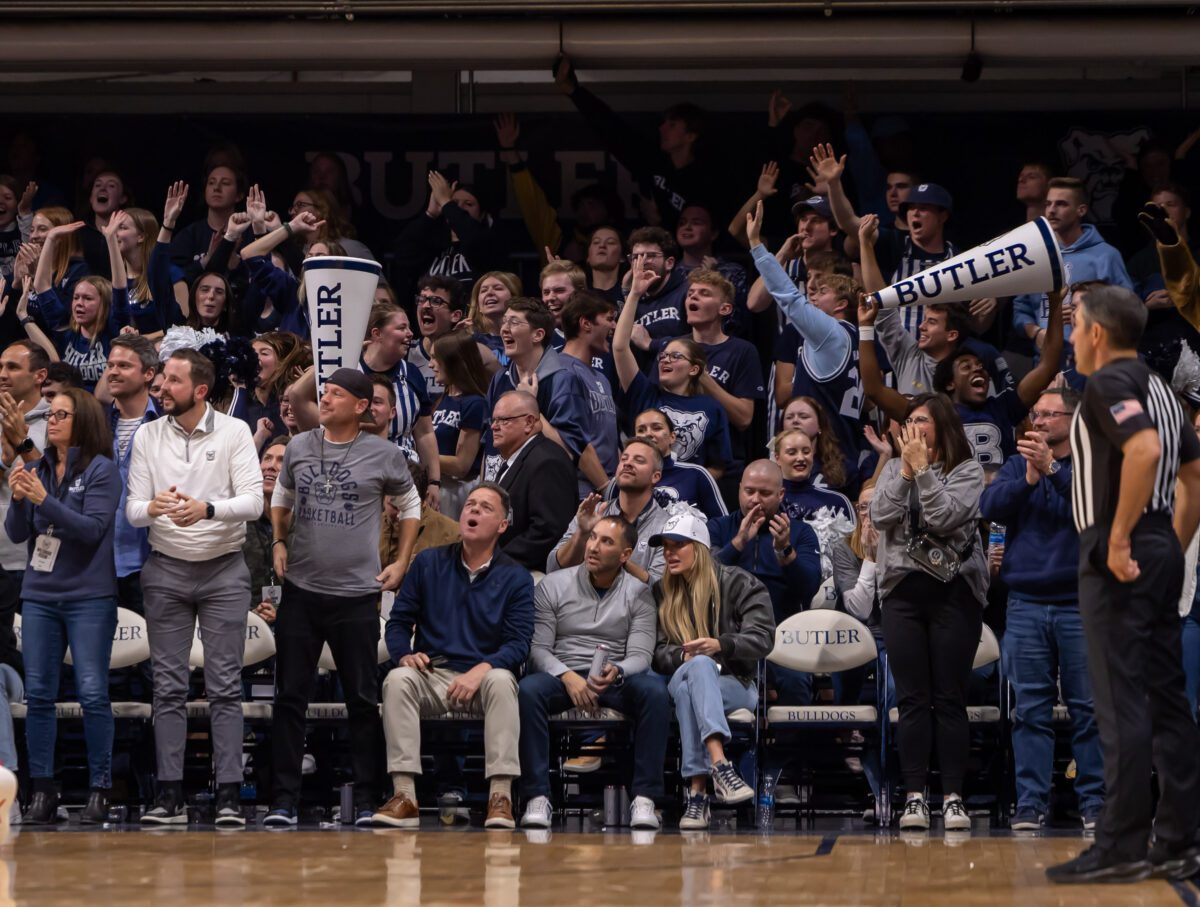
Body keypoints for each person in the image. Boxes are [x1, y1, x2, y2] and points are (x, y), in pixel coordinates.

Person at [1048, 283, 1200, 884]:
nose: (1071, 334)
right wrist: (1173, 545)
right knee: (1167, 700)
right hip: (1161, 540)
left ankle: (1121, 844)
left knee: (1119, 700)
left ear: (1097, 333)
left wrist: (1117, 539)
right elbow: (1193, 471)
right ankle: (1180, 839)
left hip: (1121, 543)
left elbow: (1142, 451)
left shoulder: (1110, 383)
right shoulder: (1162, 387)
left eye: (1075, 323)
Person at [265, 368, 421, 827]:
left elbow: (411, 504)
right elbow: (282, 491)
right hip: (301, 592)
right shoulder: (298, 446)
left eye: (335, 394)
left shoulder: (384, 453)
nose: (325, 399)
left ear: (360, 406)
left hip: (355, 595)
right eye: (324, 392)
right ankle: (283, 801)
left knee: (360, 699)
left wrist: (403, 560)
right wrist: (278, 539)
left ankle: (368, 798)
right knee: (289, 697)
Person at [125, 349, 263, 826]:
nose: (162, 388)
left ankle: (227, 793)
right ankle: (169, 794)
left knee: (225, 686)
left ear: (201, 390)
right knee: (167, 687)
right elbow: (133, 511)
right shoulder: (147, 434)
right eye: (162, 379)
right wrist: (158, 508)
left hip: (224, 568)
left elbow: (253, 502)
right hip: (165, 570)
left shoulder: (234, 431)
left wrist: (207, 509)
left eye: (173, 381)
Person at [979, 386, 1104, 833]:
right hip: (1026, 604)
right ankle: (1030, 803)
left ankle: (1095, 803)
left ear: (1073, 420)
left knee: (1088, 709)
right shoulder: (1016, 465)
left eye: (1051, 414)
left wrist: (1052, 471)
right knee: (1029, 711)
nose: (1041, 420)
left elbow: (1095, 513)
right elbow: (989, 506)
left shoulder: (1091, 465)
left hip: (1081, 605)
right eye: (1036, 413)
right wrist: (1031, 478)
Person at [374, 483, 534, 830]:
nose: (473, 511)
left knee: (504, 681)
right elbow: (398, 623)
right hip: (434, 674)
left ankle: (500, 797)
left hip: (483, 679)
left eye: (485, 508)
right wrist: (404, 655)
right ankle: (404, 795)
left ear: (503, 525)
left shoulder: (516, 577)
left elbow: (519, 643)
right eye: (470, 505)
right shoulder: (428, 563)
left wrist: (483, 668)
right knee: (398, 680)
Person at [870, 393, 986, 833]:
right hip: (902, 593)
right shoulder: (895, 467)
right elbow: (880, 515)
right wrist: (902, 471)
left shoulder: (967, 470)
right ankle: (915, 796)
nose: (912, 425)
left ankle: (953, 798)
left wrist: (921, 471)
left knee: (949, 700)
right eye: (909, 419)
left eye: (922, 419)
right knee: (913, 699)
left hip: (954, 593)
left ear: (943, 427)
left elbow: (942, 517)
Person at [6, 389, 120, 824]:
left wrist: (42, 499)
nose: (51, 421)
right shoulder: (35, 469)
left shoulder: (101, 471)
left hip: (89, 596)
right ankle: (43, 790)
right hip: (40, 595)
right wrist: (19, 500)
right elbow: (18, 534)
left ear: (83, 420)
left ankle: (99, 788)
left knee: (92, 693)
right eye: (49, 414)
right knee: (39, 696)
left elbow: (91, 530)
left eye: (61, 414)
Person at [518, 514, 669, 830]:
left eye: (606, 541)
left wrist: (617, 671)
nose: (594, 547)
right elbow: (538, 650)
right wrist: (566, 675)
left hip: (614, 676)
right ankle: (537, 796)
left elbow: (641, 655)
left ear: (625, 555)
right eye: (592, 537)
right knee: (529, 690)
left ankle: (644, 798)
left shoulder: (640, 593)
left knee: (655, 693)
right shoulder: (553, 585)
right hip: (564, 675)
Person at [646, 508, 772, 831]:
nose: (669, 553)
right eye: (665, 547)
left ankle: (697, 795)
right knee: (696, 670)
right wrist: (683, 659)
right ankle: (721, 765)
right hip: (680, 675)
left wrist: (721, 645)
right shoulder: (661, 592)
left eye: (678, 545)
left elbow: (763, 639)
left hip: (735, 684)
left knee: (692, 692)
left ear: (699, 548)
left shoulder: (741, 583)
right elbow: (657, 652)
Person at [707, 460, 822, 705]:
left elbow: (809, 589)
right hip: (727, 637)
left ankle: (789, 745)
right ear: (739, 489)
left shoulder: (801, 533)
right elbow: (703, 580)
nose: (755, 500)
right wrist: (738, 543)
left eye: (765, 493)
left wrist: (785, 552)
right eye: (749, 491)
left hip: (782, 637)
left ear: (781, 494)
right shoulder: (717, 528)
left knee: (796, 683)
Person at [616, 267, 732, 476]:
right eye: (664, 355)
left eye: (676, 356)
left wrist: (689, 484)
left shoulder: (711, 407)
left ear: (694, 369)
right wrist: (634, 294)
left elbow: (718, 466)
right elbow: (620, 347)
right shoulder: (645, 393)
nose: (666, 360)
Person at [1014, 177, 1133, 378]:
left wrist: (1089, 313)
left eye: (1061, 204)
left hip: (1091, 364)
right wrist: (1036, 333)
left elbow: (1128, 309)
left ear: (1081, 210)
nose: (1051, 210)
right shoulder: (1035, 256)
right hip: (1043, 364)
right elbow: (1020, 310)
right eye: (1048, 204)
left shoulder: (1105, 256)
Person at [484, 297, 590, 478]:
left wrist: (528, 405)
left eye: (514, 322)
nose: (504, 329)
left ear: (538, 335)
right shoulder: (500, 378)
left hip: (543, 486)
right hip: (499, 491)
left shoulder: (563, 379)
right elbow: (489, 448)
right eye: (504, 322)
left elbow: (566, 452)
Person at [547, 438, 670, 582]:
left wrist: (617, 558)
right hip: (583, 600)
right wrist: (582, 534)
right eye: (624, 458)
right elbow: (553, 569)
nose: (627, 463)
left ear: (655, 476)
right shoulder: (595, 511)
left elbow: (660, 588)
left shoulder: (666, 526)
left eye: (639, 460)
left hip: (636, 603)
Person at [489, 391, 576, 572]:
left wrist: (496, 563)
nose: (494, 427)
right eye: (493, 420)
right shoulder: (520, 458)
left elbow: (548, 531)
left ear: (529, 422)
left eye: (503, 420)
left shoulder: (547, 461)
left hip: (532, 573)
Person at [103, 335, 159, 614]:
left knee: (151, 654)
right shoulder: (94, 422)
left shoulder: (166, 424)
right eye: (110, 364)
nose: (113, 371)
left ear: (149, 373)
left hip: (150, 566)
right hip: (96, 566)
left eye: (124, 366)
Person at [612, 408, 726, 519]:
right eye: (641, 430)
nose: (648, 434)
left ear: (672, 437)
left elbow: (721, 525)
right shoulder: (623, 476)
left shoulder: (697, 474)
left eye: (656, 428)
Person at [559, 292, 620, 497]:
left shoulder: (602, 378)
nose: (613, 327)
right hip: (580, 490)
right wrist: (605, 486)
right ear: (586, 323)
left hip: (606, 487)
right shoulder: (561, 371)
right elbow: (572, 440)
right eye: (610, 319)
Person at [429, 331, 489, 519]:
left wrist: (418, 457)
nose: (431, 365)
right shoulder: (442, 399)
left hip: (459, 492)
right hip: (438, 484)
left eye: (435, 359)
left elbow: (462, 465)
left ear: (453, 362)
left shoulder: (475, 403)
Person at [773, 428, 855, 526]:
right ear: (777, 458)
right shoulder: (768, 500)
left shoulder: (837, 501)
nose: (800, 458)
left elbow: (854, 540)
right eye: (792, 453)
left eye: (806, 452)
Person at [244, 436, 287, 622]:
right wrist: (250, 613)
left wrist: (283, 612)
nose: (270, 466)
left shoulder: (305, 526)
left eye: (281, 461)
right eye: (267, 458)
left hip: (292, 623)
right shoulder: (240, 519)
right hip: (244, 621)